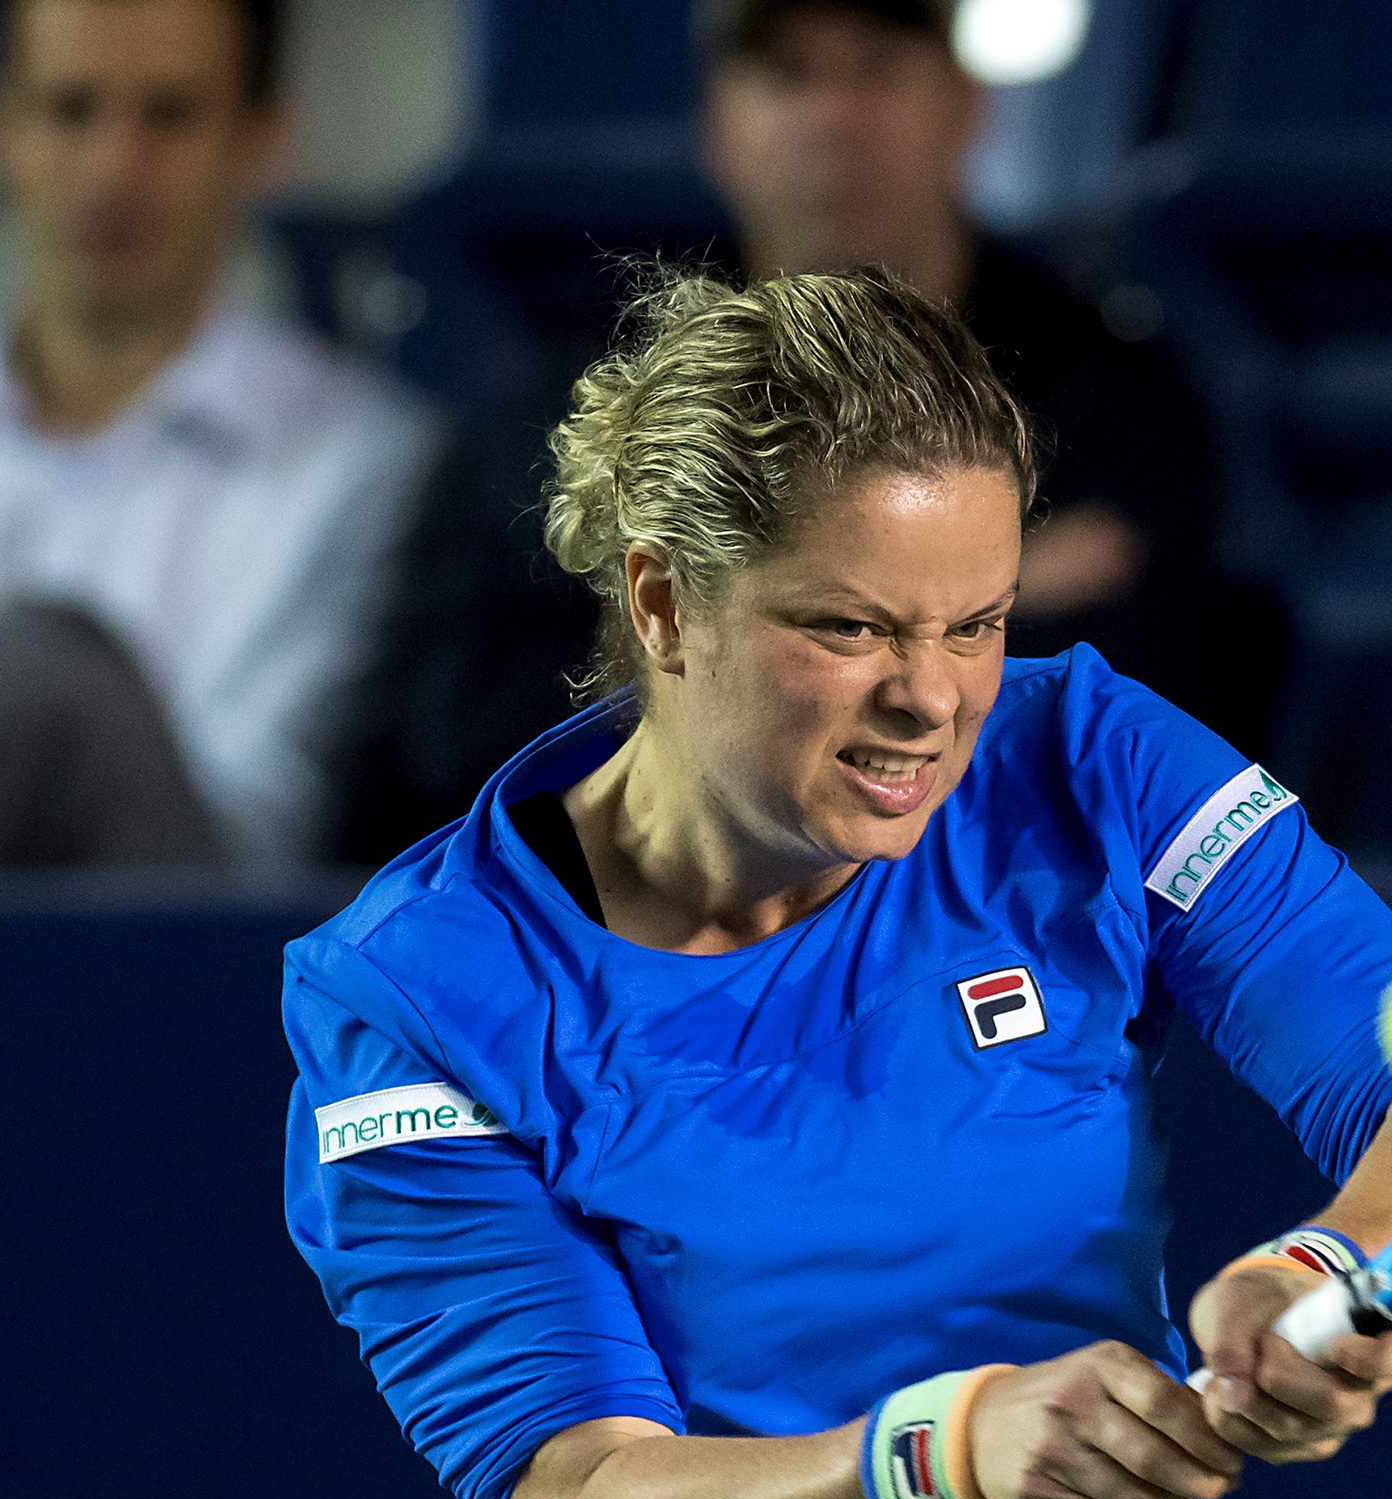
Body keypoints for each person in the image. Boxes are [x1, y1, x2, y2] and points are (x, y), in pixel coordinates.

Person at [282, 267, 1392, 1499]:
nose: (933, 700)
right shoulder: (418, 996)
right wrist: (949, 1449)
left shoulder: (1089, 759)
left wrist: (1333, 1277)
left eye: (978, 623)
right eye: (849, 627)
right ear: (666, 599)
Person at [331, 0, 1255, 863]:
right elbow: (452, 735)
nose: (833, 117)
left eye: (875, 69)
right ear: (716, 125)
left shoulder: (1120, 393)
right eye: (788, 77)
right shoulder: (581, 403)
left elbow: (1147, 733)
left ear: (966, 106)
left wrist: (694, 634)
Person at [0, 0, 437, 868]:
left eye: (169, 116)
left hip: (168, 964)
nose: (114, 168)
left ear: (262, 139)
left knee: (51, 681)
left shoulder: (359, 467)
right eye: (71, 109)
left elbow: (254, 839)